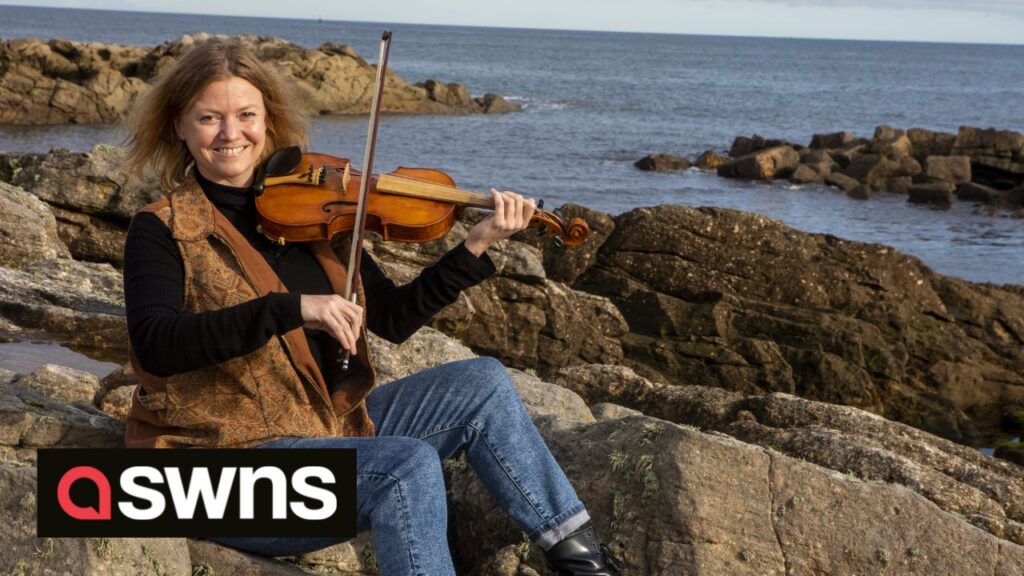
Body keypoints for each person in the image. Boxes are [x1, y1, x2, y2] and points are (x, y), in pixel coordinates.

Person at [121, 37, 620, 576]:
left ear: (269, 120)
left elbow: (391, 318)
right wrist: (291, 308)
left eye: (246, 115)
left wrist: (476, 245)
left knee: (483, 384)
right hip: (225, 478)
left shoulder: (314, 213)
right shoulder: (163, 228)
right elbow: (157, 343)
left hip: (325, 433)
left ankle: (582, 561)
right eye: (209, 118)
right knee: (406, 466)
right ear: (179, 125)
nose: (230, 133)